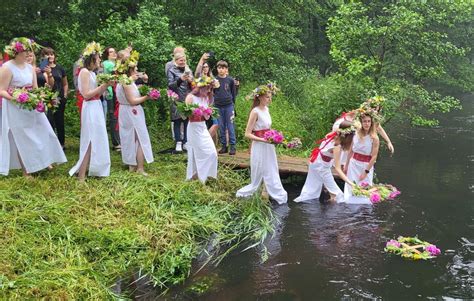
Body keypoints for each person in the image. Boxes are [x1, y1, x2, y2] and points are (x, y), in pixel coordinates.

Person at [0, 37, 66, 177]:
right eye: (26, 51)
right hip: (15, 107)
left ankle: (44, 160)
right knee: (21, 137)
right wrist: (17, 98)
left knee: (43, 130)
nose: (29, 54)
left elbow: (35, 88)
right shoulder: (7, 67)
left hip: (31, 104)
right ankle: (26, 171)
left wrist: (42, 98)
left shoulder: (30, 68)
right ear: (17, 52)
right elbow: (2, 90)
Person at [236, 85, 287, 204]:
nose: (270, 100)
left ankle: (267, 190)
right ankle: (259, 190)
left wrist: (275, 135)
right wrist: (263, 140)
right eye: (267, 97)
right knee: (260, 167)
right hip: (260, 144)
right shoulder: (255, 112)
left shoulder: (267, 109)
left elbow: (267, 128)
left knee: (271, 167)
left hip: (269, 144)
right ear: (260, 98)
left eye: (270, 97)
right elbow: (247, 134)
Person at [69, 42, 113, 181]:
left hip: (96, 107)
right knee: (88, 140)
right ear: (91, 59)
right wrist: (104, 85)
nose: (100, 60)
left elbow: (97, 95)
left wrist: (104, 86)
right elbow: (86, 94)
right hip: (89, 108)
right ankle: (81, 176)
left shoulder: (92, 73)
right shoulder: (84, 72)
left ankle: (95, 169)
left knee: (97, 138)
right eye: (98, 58)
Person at [294, 121, 356, 203]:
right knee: (338, 196)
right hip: (320, 166)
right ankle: (330, 213)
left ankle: (328, 206)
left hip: (318, 162)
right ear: (348, 136)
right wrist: (350, 183)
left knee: (328, 191)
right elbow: (337, 168)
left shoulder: (335, 135)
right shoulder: (337, 146)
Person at [115, 53, 154, 175]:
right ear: (130, 69)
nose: (137, 70)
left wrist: (142, 86)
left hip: (125, 111)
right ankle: (140, 168)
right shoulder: (126, 82)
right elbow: (132, 101)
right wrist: (147, 97)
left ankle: (132, 165)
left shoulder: (124, 80)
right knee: (140, 138)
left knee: (128, 138)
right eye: (135, 68)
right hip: (132, 112)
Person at [185, 76, 218, 183]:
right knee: (197, 153)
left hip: (203, 127)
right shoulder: (190, 97)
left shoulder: (206, 98)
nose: (208, 91)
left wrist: (207, 113)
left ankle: (205, 176)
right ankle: (197, 177)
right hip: (193, 128)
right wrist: (196, 112)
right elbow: (185, 116)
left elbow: (207, 117)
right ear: (200, 87)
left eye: (210, 88)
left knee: (212, 153)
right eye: (206, 88)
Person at [342, 111, 380, 204]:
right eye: (364, 121)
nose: (366, 123)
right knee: (351, 188)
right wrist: (346, 165)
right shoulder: (356, 133)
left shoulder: (374, 138)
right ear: (361, 122)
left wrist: (366, 172)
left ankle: (363, 214)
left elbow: (374, 156)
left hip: (365, 166)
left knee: (364, 190)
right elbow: (351, 150)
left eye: (368, 121)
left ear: (371, 123)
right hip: (353, 164)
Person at [41, 47, 68, 149]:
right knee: (49, 120)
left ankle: (61, 143)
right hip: (46, 97)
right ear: (43, 56)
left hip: (59, 97)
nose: (50, 56)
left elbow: (65, 83)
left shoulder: (60, 68)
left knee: (59, 120)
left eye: (52, 54)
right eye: (47, 54)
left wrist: (65, 95)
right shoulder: (42, 68)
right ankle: (51, 144)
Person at [167, 52, 193, 152]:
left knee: (186, 120)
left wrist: (191, 81)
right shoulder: (171, 70)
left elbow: (194, 85)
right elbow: (170, 85)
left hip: (187, 98)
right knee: (177, 120)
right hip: (176, 98)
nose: (183, 62)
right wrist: (180, 79)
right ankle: (178, 142)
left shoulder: (188, 70)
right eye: (181, 60)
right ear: (176, 61)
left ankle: (186, 141)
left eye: (184, 60)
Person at [214, 60, 237, 155]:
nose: (221, 70)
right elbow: (213, 92)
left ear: (226, 69)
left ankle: (233, 146)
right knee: (221, 126)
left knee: (230, 126)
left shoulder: (230, 80)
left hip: (229, 106)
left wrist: (233, 105)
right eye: (219, 68)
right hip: (218, 106)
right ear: (217, 69)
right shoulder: (214, 80)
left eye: (223, 68)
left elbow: (233, 93)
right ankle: (224, 146)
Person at [102, 46, 121, 151]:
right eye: (111, 52)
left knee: (115, 116)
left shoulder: (114, 64)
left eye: (115, 51)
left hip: (115, 92)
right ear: (107, 54)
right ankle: (116, 142)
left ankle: (117, 141)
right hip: (110, 92)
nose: (114, 53)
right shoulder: (108, 64)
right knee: (113, 116)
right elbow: (117, 72)